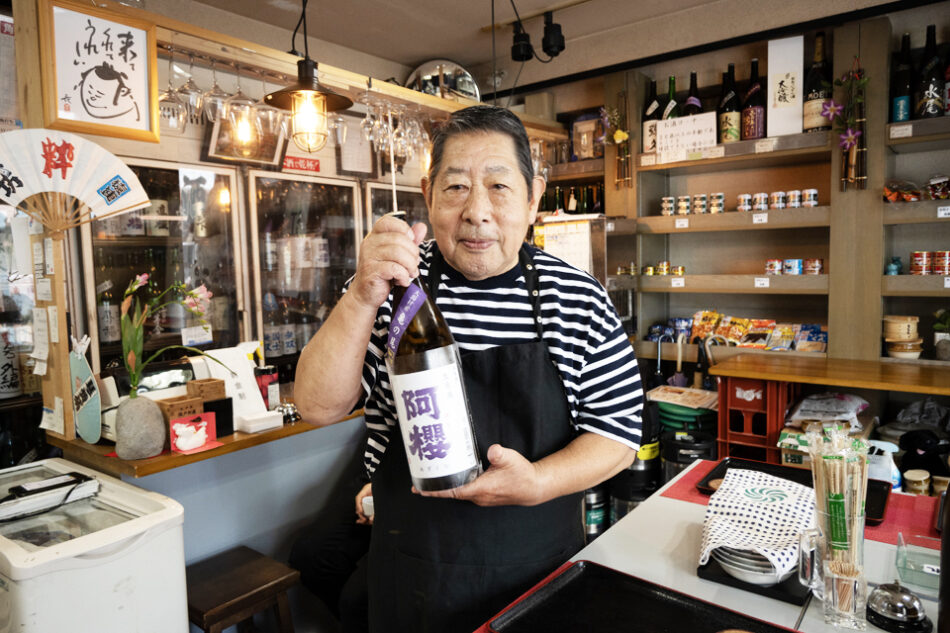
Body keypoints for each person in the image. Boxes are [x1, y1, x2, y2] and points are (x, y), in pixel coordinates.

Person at [295, 104, 644, 633]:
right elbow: (318, 407)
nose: (477, 211)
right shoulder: (391, 286)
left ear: (533, 198)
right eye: (456, 187)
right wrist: (362, 296)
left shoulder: (576, 298)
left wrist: (538, 482)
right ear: (428, 192)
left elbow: (617, 438)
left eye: (499, 187)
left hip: (537, 577)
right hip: (414, 578)